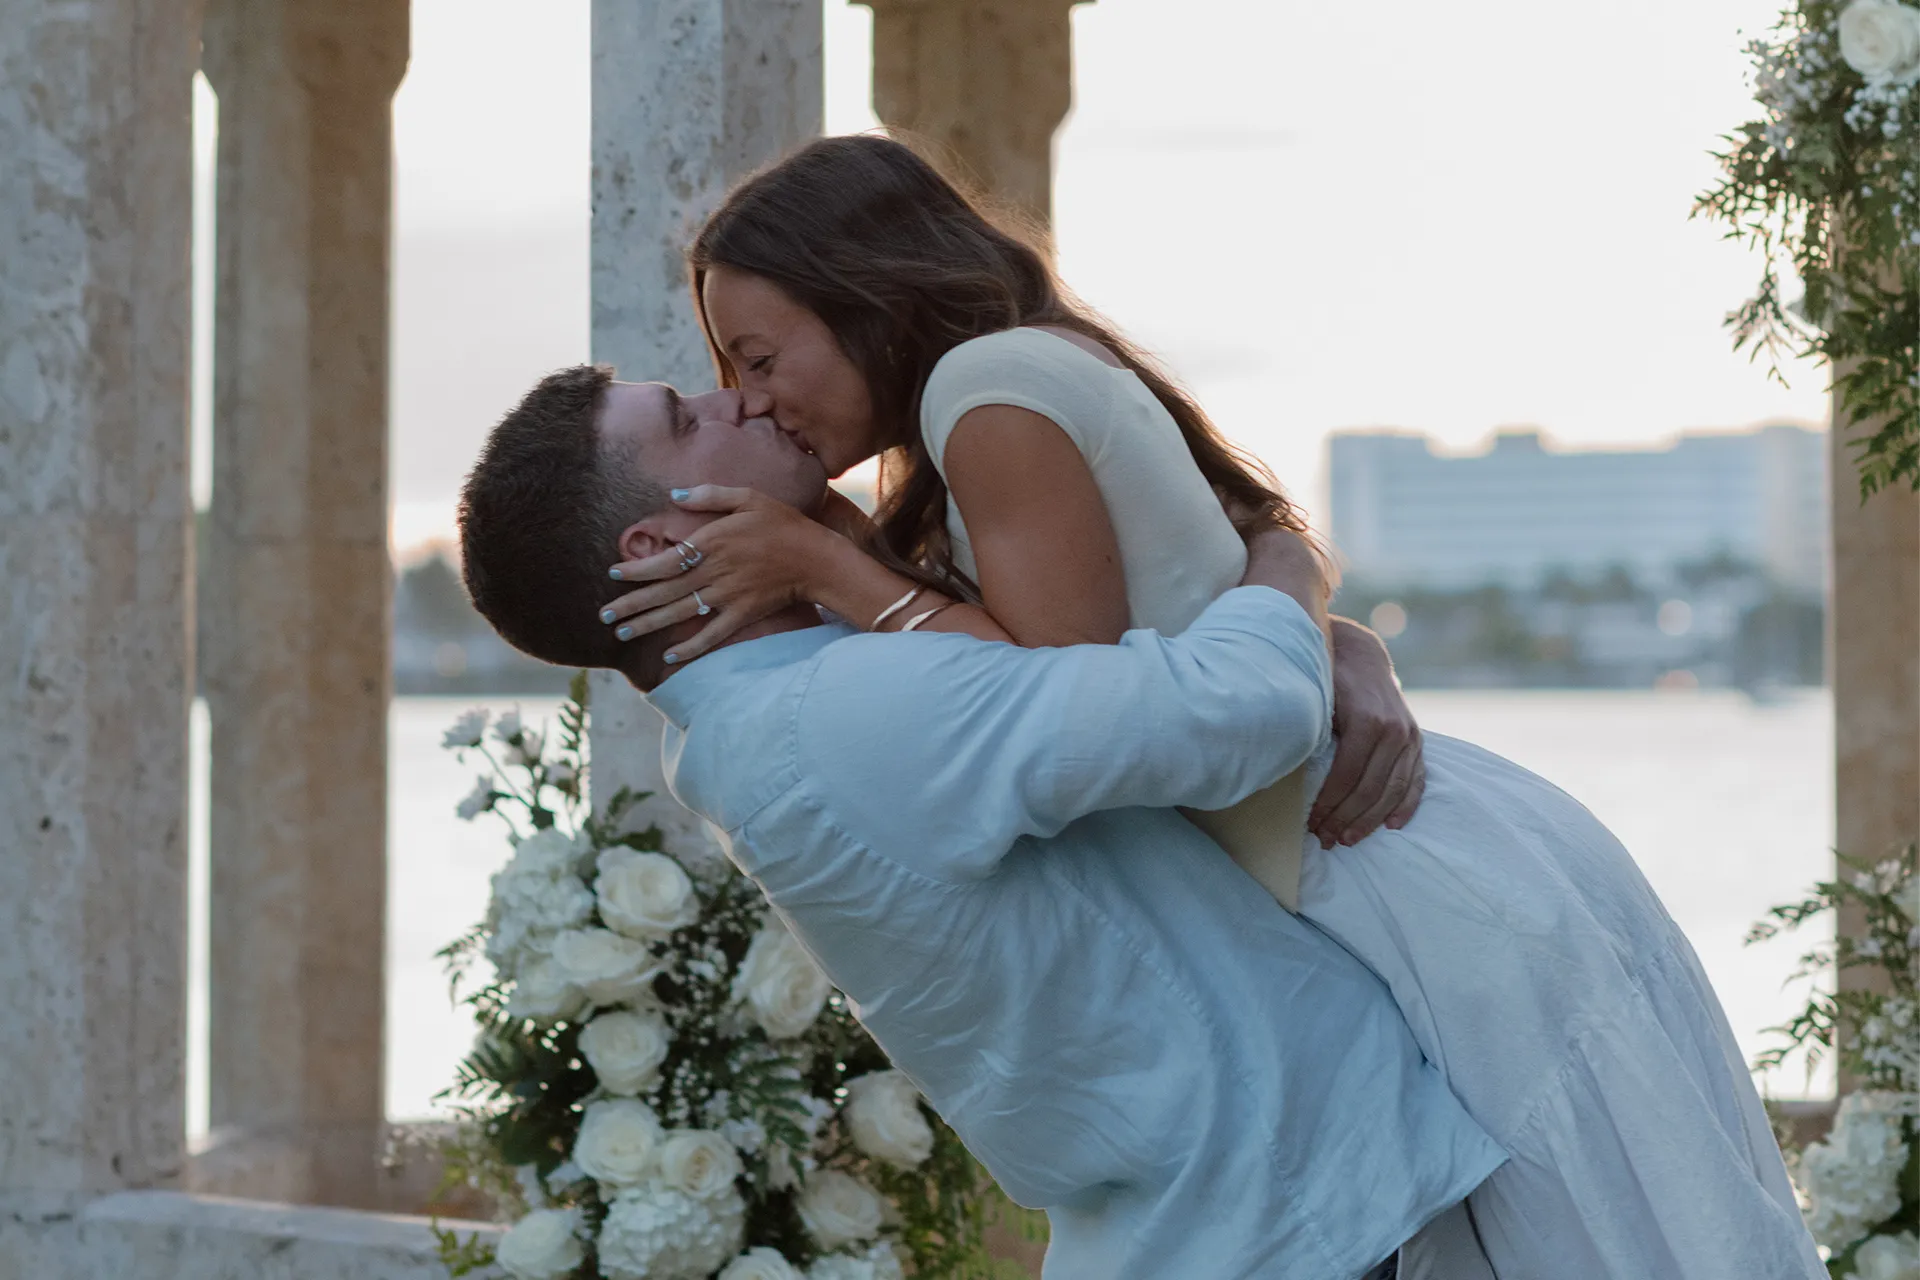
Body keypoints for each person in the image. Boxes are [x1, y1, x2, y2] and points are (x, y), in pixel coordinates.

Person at [456, 364, 1822, 1278]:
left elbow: (1125, 680)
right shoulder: (839, 718)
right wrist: (1291, 560)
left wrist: (1340, 648)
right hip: (1297, 1225)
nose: (739, 399)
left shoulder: (803, 695)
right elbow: (1227, 715)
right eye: (691, 415)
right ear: (657, 542)